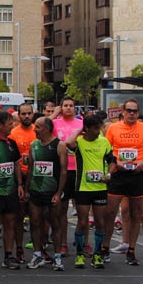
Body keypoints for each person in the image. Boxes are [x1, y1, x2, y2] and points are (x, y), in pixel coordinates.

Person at [104, 98, 143, 266]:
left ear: (138, 113)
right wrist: (116, 164)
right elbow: (107, 151)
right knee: (111, 213)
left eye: (135, 111)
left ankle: (131, 250)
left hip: (136, 174)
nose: (132, 114)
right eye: (129, 111)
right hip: (119, 174)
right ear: (123, 112)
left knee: (137, 214)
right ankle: (105, 247)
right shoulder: (113, 128)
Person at [64, 113, 112, 269]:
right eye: (96, 128)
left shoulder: (104, 142)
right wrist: (79, 131)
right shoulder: (79, 142)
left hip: (100, 187)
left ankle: (97, 254)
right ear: (88, 129)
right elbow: (67, 142)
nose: (99, 131)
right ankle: (79, 253)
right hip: (83, 188)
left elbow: (112, 161)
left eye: (100, 128)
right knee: (82, 222)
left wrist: (109, 174)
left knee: (100, 222)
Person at [24, 116, 67, 271]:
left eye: (38, 127)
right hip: (36, 190)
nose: (35, 129)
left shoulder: (59, 145)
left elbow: (63, 171)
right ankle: (37, 254)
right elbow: (30, 168)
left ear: (47, 129)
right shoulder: (33, 145)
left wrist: (59, 192)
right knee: (35, 222)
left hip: (52, 190)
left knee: (55, 223)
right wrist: (27, 189)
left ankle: (57, 256)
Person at [0, 110, 24, 269]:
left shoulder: (12, 143)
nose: (12, 126)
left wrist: (20, 184)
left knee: (10, 222)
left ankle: (8, 255)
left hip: (11, 190)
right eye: (9, 124)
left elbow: (16, 165)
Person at [52, 96, 82, 256]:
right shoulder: (55, 123)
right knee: (61, 210)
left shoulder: (80, 124)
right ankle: (62, 243)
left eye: (71, 105)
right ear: (61, 107)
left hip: (78, 169)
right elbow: (41, 126)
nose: (68, 108)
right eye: (65, 105)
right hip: (62, 170)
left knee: (82, 209)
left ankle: (82, 243)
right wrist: (55, 113)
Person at [8, 103, 37, 263]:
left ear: (33, 114)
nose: (26, 116)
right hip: (18, 177)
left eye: (29, 114)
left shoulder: (38, 131)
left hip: (36, 177)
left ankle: (38, 248)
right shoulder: (13, 133)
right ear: (18, 116)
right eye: (23, 114)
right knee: (18, 215)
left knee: (37, 216)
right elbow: (12, 157)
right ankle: (18, 248)